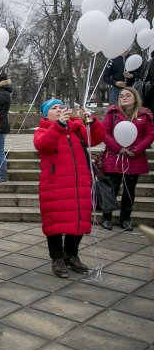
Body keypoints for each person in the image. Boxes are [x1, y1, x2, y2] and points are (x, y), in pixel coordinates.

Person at [34, 98, 104, 278]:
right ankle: (57, 258)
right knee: (54, 224)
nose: (58, 109)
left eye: (61, 107)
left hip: (79, 184)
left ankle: (72, 255)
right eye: (53, 108)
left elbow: (96, 138)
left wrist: (92, 121)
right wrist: (58, 125)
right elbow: (43, 145)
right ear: (46, 115)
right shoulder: (42, 130)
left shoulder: (77, 129)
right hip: (54, 186)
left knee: (78, 221)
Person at [101, 87, 154, 231]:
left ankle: (125, 219)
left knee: (129, 190)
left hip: (134, 158)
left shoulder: (145, 115)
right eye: (121, 95)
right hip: (115, 157)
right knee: (112, 189)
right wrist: (119, 148)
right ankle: (106, 218)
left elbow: (150, 135)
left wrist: (136, 149)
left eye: (127, 95)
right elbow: (104, 133)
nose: (123, 97)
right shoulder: (112, 113)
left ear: (135, 98)